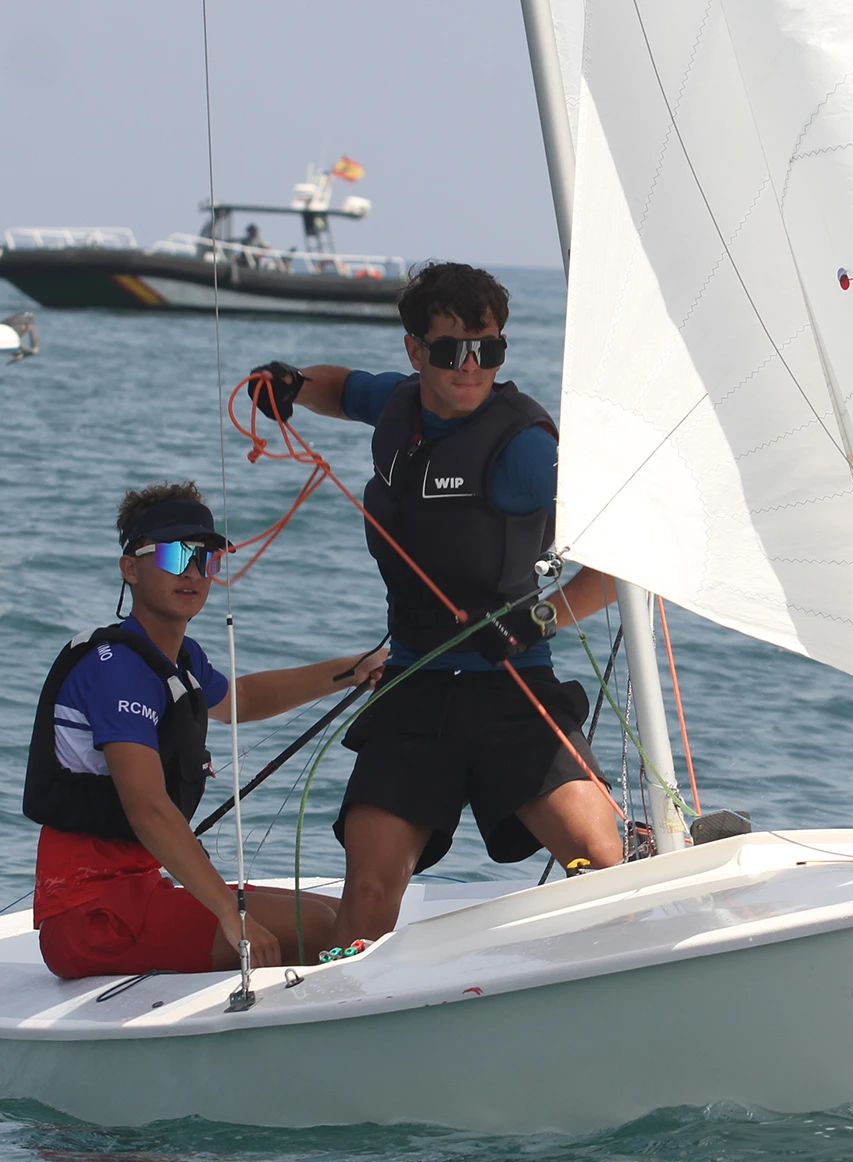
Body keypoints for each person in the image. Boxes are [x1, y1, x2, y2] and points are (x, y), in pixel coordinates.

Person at [246, 261, 624, 953]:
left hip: (511, 690)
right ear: (415, 350)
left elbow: (620, 557)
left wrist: (540, 617)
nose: (471, 367)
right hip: (414, 690)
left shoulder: (525, 447)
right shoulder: (398, 404)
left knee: (602, 867)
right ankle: (344, 1006)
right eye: (451, 351)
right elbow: (341, 388)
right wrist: (292, 386)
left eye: (489, 349)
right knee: (366, 896)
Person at [24, 480, 385, 979]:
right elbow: (148, 808)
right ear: (130, 568)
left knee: (337, 915)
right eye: (175, 555)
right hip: (90, 917)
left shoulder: (180, 659)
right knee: (318, 928)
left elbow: (240, 700)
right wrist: (230, 914)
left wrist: (350, 670)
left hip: (141, 891)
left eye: (206, 558)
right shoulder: (115, 668)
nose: (193, 572)